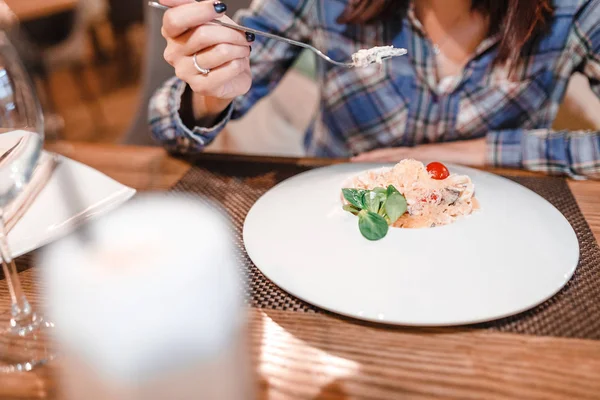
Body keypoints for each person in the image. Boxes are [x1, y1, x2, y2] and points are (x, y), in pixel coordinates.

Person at [149, 0, 600, 179]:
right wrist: (211, 89)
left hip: (493, 225)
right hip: (339, 217)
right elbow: (170, 127)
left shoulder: (577, 10)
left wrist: (477, 151)